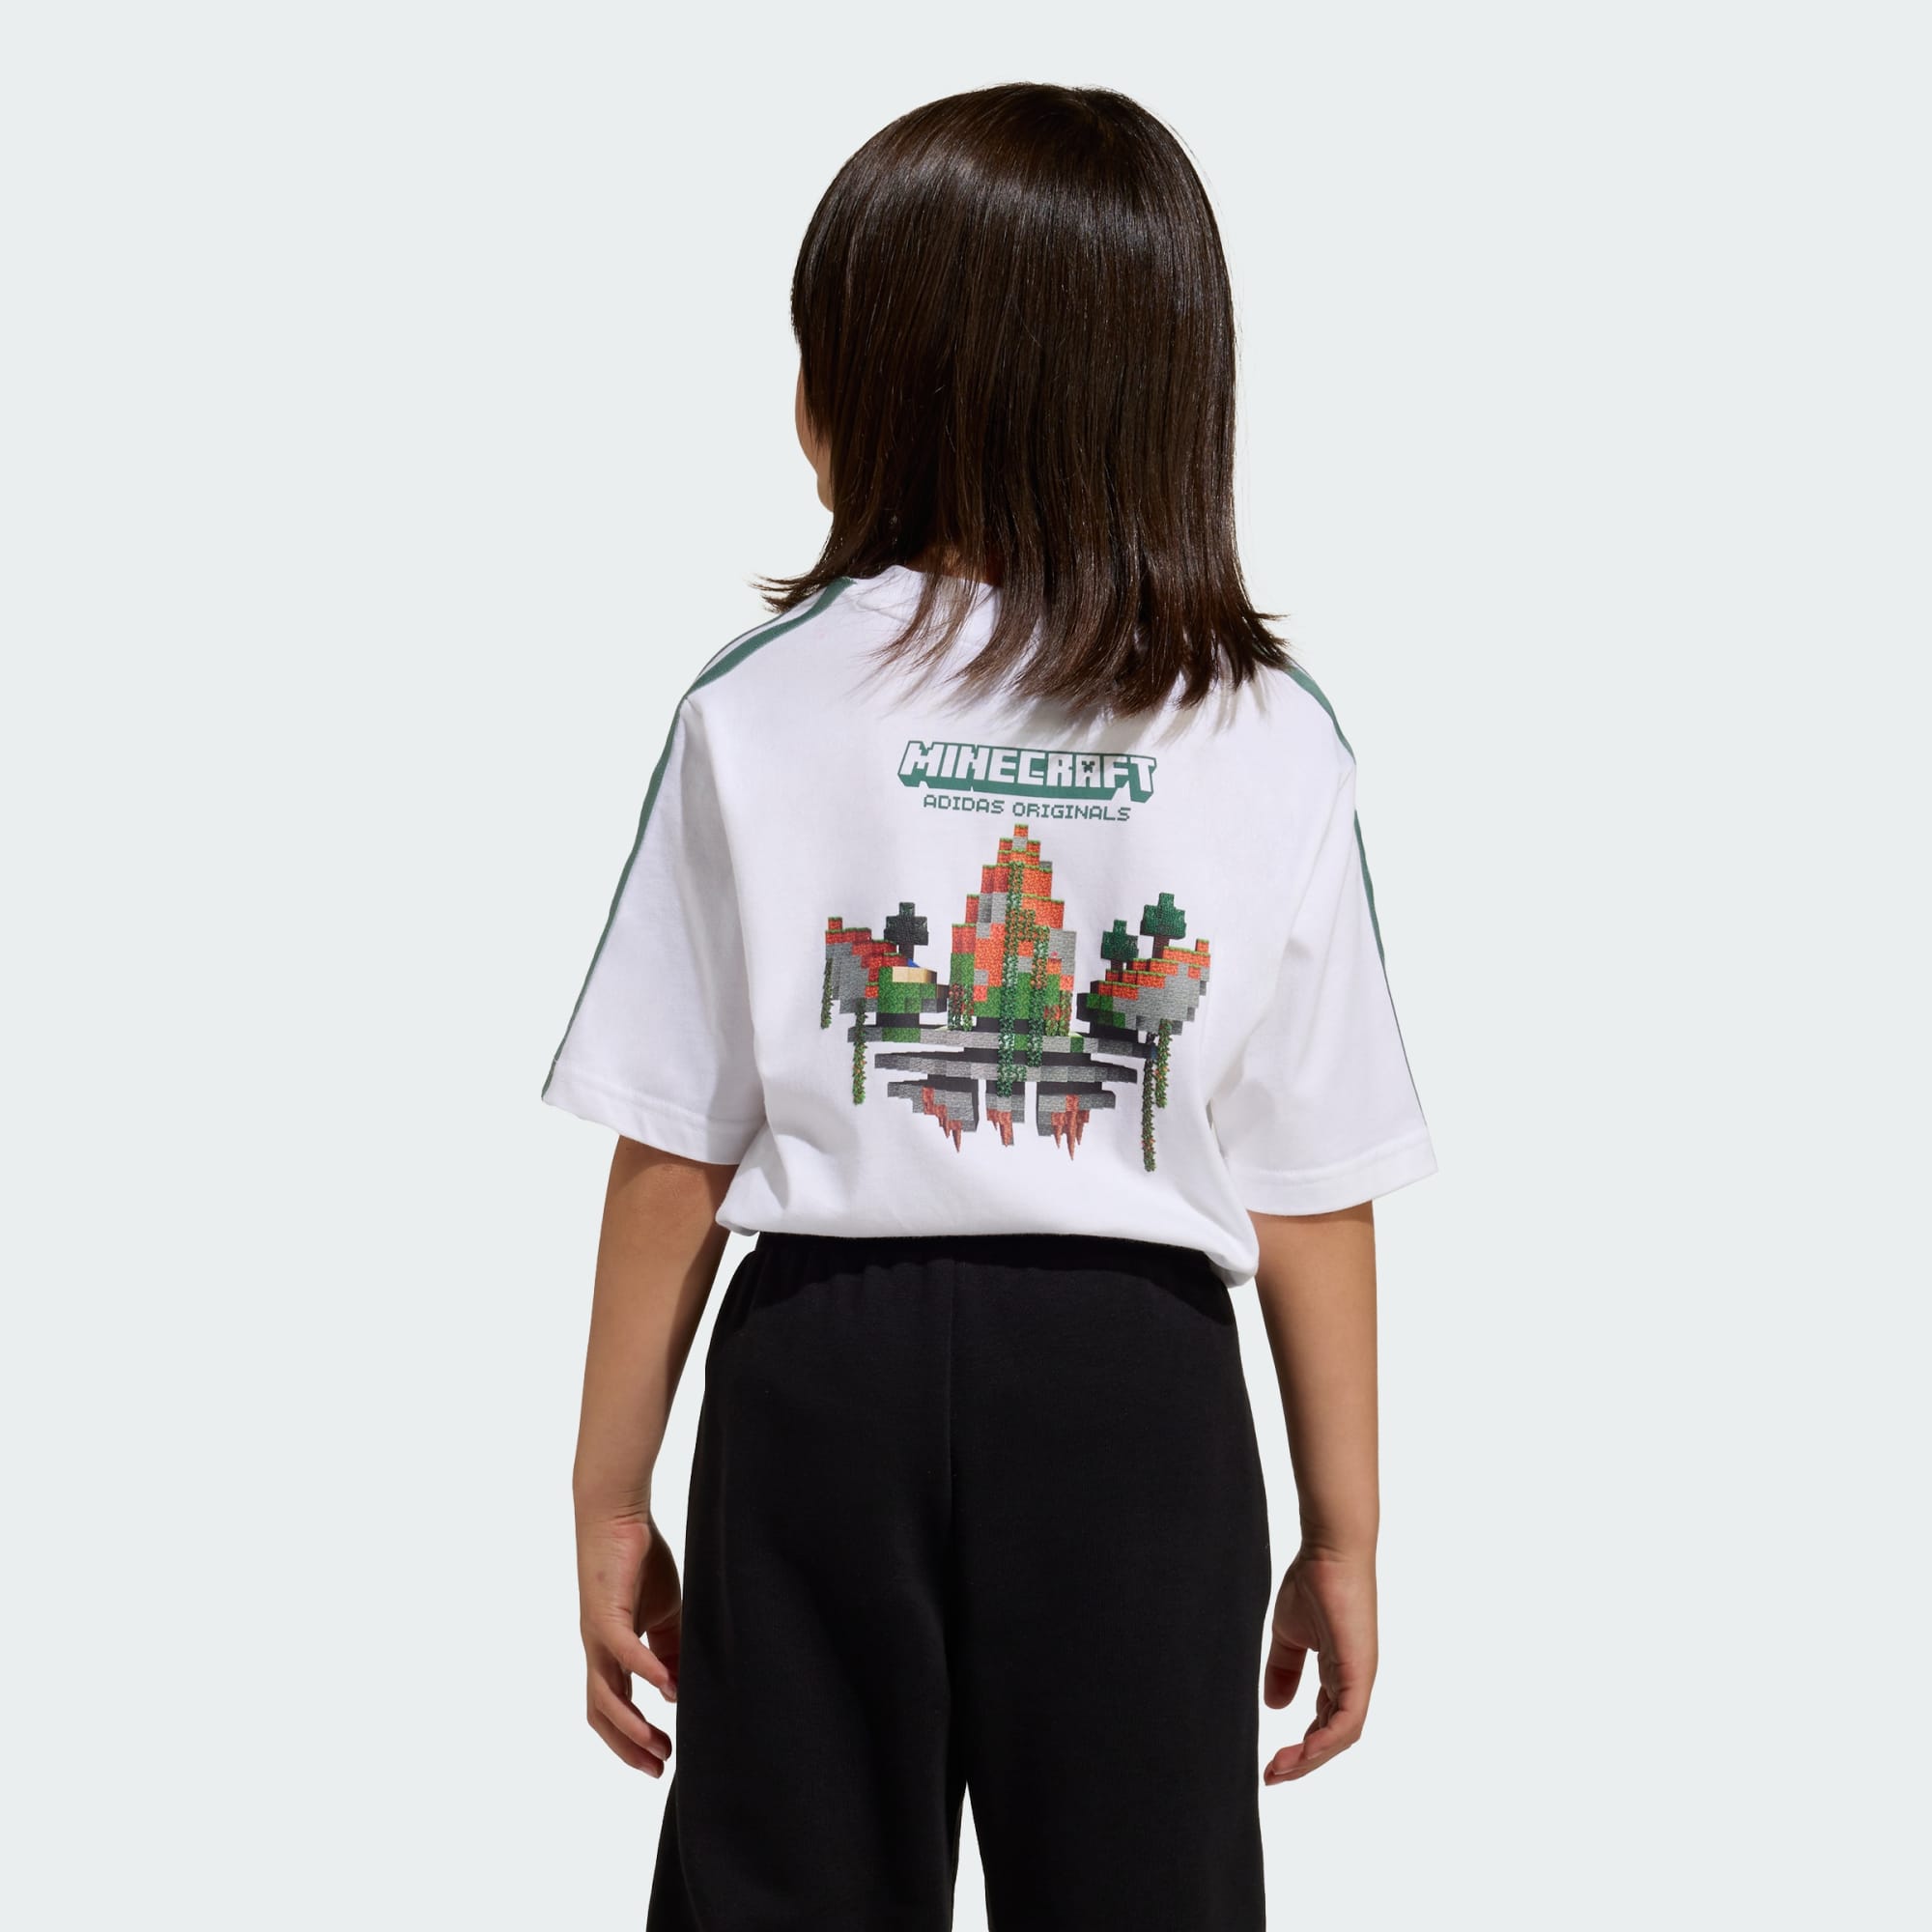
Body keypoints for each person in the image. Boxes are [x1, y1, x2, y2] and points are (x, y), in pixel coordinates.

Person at [544, 83, 1435, 1932]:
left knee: (778, 1890)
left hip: (822, 1363)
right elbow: (1309, 1178)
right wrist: (1343, 1527)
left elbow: (676, 1142)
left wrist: (608, 1489)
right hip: (1138, 1387)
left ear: (870, 394)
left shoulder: (761, 705)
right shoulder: (1266, 734)